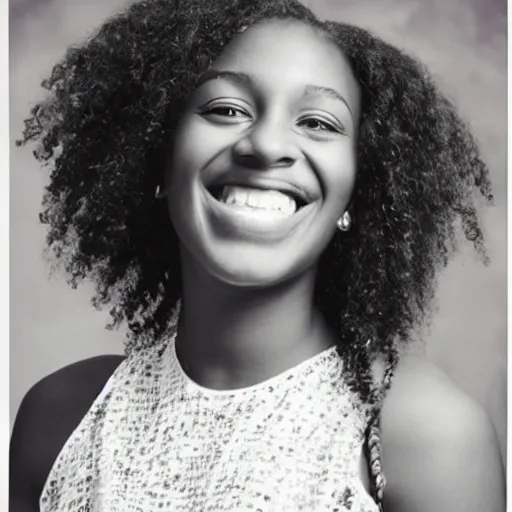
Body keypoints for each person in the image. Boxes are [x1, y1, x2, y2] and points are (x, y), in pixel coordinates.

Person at [10, 0, 505, 511]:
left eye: (317, 122)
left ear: (356, 193)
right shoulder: (59, 419)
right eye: (226, 109)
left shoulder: (427, 435)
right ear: (158, 155)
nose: (267, 145)